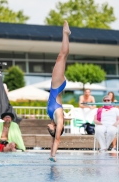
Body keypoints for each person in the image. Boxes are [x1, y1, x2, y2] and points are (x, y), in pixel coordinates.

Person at [47, 20, 71, 162]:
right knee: (61, 56)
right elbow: (57, 139)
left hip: (54, 86)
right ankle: (65, 34)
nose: (47, 126)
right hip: (57, 86)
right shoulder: (59, 118)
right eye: (49, 128)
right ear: (55, 128)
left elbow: (52, 140)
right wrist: (53, 156)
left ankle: (66, 34)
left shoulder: (52, 117)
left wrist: (50, 153)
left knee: (62, 57)